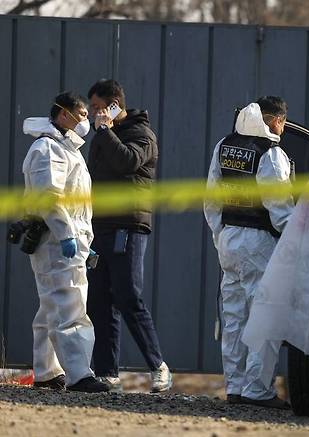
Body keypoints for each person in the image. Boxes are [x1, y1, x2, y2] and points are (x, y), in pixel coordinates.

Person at [204, 97, 293, 409]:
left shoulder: (224, 146)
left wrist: (220, 236)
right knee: (263, 316)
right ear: (275, 121)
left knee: (234, 319)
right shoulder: (271, 154)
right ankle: (258, 390)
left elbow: (212, 199)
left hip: (228, 239)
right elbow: (279, 207)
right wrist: (296, 239)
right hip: (260, 243)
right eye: (282, 122)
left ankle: (236, 387)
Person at [85, 79, 172, 393]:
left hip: (128, 227)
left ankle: (158, 366)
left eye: (97, 107)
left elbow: (128, 162)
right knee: (99, 300)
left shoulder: (141, 133)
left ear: (113, 105)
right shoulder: (101, 136)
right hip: (99, 227)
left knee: (128, 296)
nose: (92, 113)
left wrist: (105, 130)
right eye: (91, 108)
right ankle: (107, 371)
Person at [22, 92, 109, 392]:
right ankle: (79, 374)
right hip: (57, 242)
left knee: (51, 308)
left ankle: (46, 371)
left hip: (67, 240)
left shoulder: (66, 149)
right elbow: (50, 198)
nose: (86, 120)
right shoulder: (48, 149)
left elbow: (77, 204)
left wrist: (84, 238)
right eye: (82, 114)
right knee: (70, 305)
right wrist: (67, 235)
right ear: (63, 115)